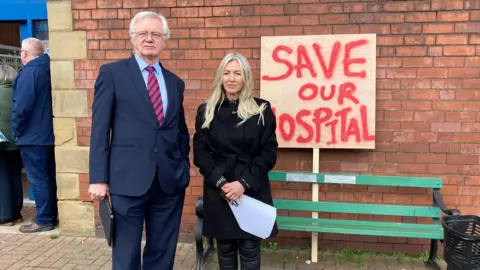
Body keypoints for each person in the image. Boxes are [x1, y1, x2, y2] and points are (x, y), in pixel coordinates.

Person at [88, 11, 190, 270]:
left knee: (162, 253)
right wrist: (98, 178)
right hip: (126, 181)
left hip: (168, 183)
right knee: (126, 254)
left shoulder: (174, 82)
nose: (149, 39)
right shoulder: (112, 74)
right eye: (142, 34)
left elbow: (180, 131)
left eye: (155, 34)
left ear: (164, 40)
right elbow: (100, 129)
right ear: (132, 38)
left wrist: (182, 168)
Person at [193, 52, 279, 270]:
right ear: (220, 77)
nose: (231, 78)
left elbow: (268, 153)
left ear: (246, 77)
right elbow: (200, 152)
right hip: (218, 187)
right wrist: (221, 183)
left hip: (250, 186)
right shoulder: (206, 110)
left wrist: (243, 183)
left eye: (237, 73)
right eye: (227, 73)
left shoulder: (262, 110)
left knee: (250, 247)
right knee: (225, 248)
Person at [11, 38, 57, 233]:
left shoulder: (31, 72)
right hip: (48, 134)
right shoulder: (49, 68)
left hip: (32, 136)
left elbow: (21, 106)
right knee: (49, 178)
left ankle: (44, 219)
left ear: (25, 53)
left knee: (38, 179)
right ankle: (51, 215)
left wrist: (16, 131)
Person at [0, 64, 23, 227]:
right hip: (17, 142)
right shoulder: (18, 93)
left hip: (1, 143)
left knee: (2, 179)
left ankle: (5, 215)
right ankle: (16, 213)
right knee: (16, 177)